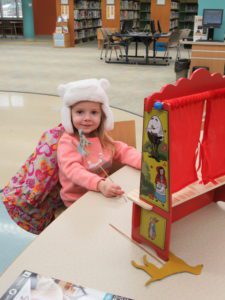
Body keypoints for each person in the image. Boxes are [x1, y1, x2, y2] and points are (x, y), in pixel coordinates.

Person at [57, 78, 141, 207]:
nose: (87, 118)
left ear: (102, 116)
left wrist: (144, 163)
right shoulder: (68, 142)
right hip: (77, 201)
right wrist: (99, 184)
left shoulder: (102, 137)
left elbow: (122, 150)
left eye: (94, 112)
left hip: (102, 193)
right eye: (80, 112)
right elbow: (74, 170)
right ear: (69, 115)